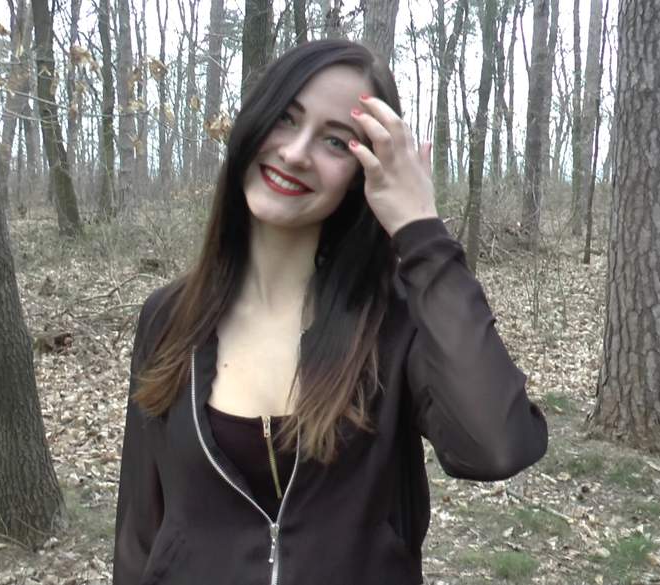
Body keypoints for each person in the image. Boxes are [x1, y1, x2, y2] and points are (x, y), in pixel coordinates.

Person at [113, 38, 548, 585]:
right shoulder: (168, 317)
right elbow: (140, 530)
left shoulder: (395, 323)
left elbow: (496, 445)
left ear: (363, 172)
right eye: (286, 118)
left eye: (335, 142)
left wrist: (420, 230)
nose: (296, 153)